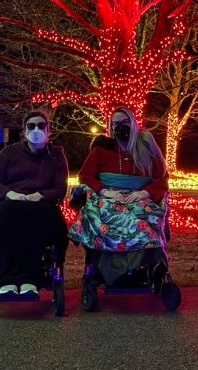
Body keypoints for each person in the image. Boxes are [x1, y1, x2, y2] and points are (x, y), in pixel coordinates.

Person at [69, 107, 169, 284]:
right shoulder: (102, 150)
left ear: (132, 123)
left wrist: (144, 192)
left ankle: (147, 265)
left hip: (139, 196)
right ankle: (112, 271)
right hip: (108, 195)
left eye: (124, 123)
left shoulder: (144, 149)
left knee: (144, 216)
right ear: (110, 126)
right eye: (115, 124)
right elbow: (85, 176)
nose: (119, 127)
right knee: (109, 215)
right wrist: (105, 191)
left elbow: (162, 180)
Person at [0, 110, 69, 296]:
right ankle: (6, 279)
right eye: (31, 126)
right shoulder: (9, 152)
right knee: (7, 213)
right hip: (10, 202)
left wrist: (41, 195)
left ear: (48, 130)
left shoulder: (56, 155)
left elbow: (60, 188)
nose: (36, 129)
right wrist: (9, 193)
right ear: (24, 131)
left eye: (41, 125)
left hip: (40, 204)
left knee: (38, 216)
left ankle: (31, 279)